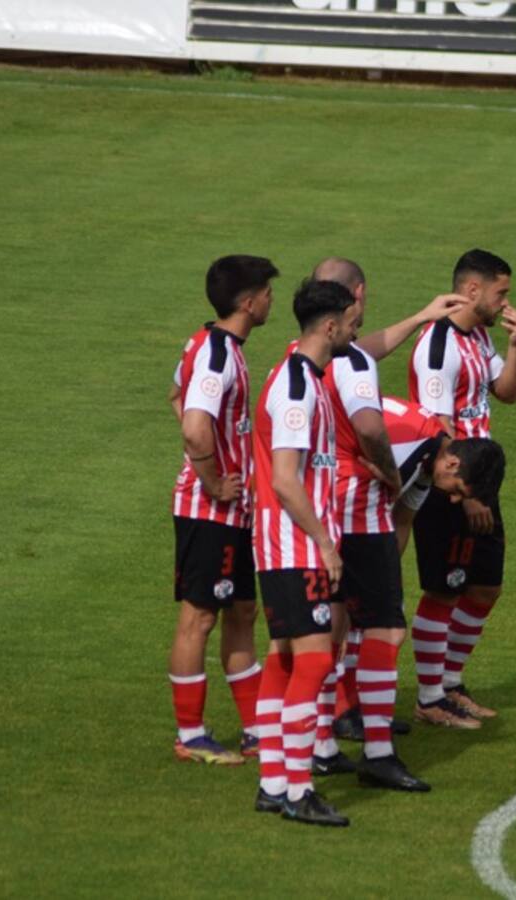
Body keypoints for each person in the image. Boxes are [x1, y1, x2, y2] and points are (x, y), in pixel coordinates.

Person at [306, 256, 467, 789]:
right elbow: (371, 426)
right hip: (359, 510)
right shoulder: (350, 363)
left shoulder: (304, 358)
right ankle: (376, 752)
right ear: (354, 297)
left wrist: (419, 317)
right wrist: (392, 475)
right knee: (384, 627)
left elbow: (364, 349)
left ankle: (322, 742)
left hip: (321, 507)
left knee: (328, 626)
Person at [249, 279, 359, 827]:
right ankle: (298, 788)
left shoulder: (301, 376)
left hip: (283, 544)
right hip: (294, 544)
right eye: (352, 323)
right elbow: (287, 480)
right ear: (330, 325)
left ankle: (274, 783)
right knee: (314, 660)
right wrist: (324, 543)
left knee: (286, 658)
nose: (355, 331)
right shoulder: (296, 387)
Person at [407, 249, 516, 727]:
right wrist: (469, 497)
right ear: (473, 289)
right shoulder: (438, 347)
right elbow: (439, 430)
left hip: (478, 481)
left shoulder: (477, 334)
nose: (505, 302)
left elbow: (507, 392)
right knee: (444, 590)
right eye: (501, 293)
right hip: (449, 487)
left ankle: (450, 683)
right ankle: (430, 698)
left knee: (485, 587)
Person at [167, 255, 277, 765]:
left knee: (242, 611)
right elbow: (194, 427)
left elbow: (176, 396)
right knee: (200, 617)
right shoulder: (217, 356)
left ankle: (256, 730)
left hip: (232, 511)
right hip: (209, 510)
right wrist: (212, 480)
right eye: (268, 294)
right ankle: (190, 736)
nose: (272, 301)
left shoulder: (208, 343)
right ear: (249, 302)